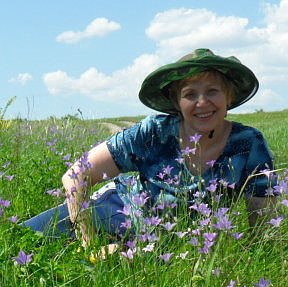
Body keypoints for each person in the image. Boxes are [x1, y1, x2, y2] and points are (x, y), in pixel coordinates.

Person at [21, 48, 277, 247]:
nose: (202, 102)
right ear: (176, 102)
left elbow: (261, 227)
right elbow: (74, 176)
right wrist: (89, 245)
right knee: (22, 241)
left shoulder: (249, 145)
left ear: (229, 97)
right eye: (190, 94)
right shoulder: (154, 132)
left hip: (166, 244)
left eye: (213, 91)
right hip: (111, 212)